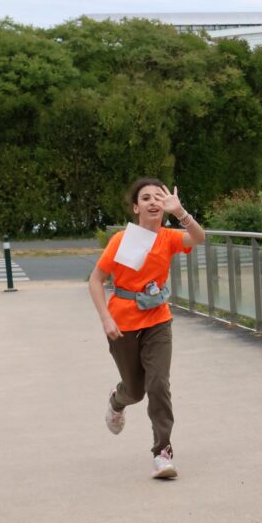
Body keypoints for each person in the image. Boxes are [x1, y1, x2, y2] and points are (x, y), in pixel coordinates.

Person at [88, 178, 206, 479]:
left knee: (158, 384)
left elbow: (199, 237)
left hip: (158, 321)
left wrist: (181, 213)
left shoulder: (169, 237)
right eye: (146, 198)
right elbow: (96, 280)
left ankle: (162, 452)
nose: (153, 202)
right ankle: (117, 399)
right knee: (136, 390)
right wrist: (105, 318)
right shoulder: (121, 240)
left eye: (158, 197)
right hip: (122, 323)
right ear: (135, 208)